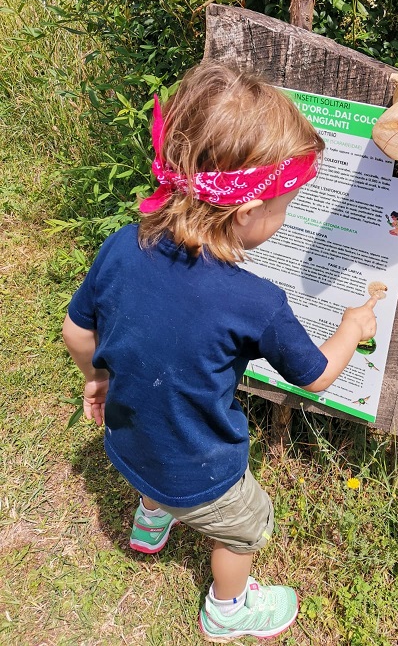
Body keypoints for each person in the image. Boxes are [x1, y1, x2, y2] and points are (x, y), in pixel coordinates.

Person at [62, 61, 378, 642]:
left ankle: (153, 514)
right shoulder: (256, 301)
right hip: (201, 463)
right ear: (249, 211)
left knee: (160, 464)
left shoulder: (123, 244)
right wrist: (352, 328)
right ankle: (228, 610)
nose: (284, 220)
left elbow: (76, 333)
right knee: (244, 528)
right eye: (286, 207)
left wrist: (98, 377)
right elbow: (316, 378)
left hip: (129, 438)